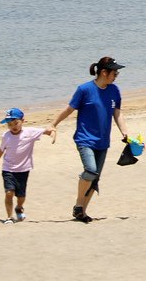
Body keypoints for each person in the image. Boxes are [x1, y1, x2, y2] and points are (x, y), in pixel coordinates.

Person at [48, 57, 131, 224]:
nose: (117, 75)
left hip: (103, 141)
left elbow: (117, 113)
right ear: (104, 72)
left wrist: (124, 132)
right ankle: (79, 204)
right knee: (91, 171)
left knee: (95, 178)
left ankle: (82, 212)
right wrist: (53, 125)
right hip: (84, 139)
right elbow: (69, 109)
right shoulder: (84, 89)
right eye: (115, 72)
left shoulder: (114, 90)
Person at [0, 108, 53, 224]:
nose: (13, 126)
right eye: (9, 124)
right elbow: (1, 149)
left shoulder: (29, 132)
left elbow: (46, 131)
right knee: (9, 193)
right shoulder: (6, 136)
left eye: (15, 123)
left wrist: (52, 132)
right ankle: (9, 217)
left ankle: (19, 207)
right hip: (8, 169)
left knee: (21, 196)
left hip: (23, 170)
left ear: (22, 121)